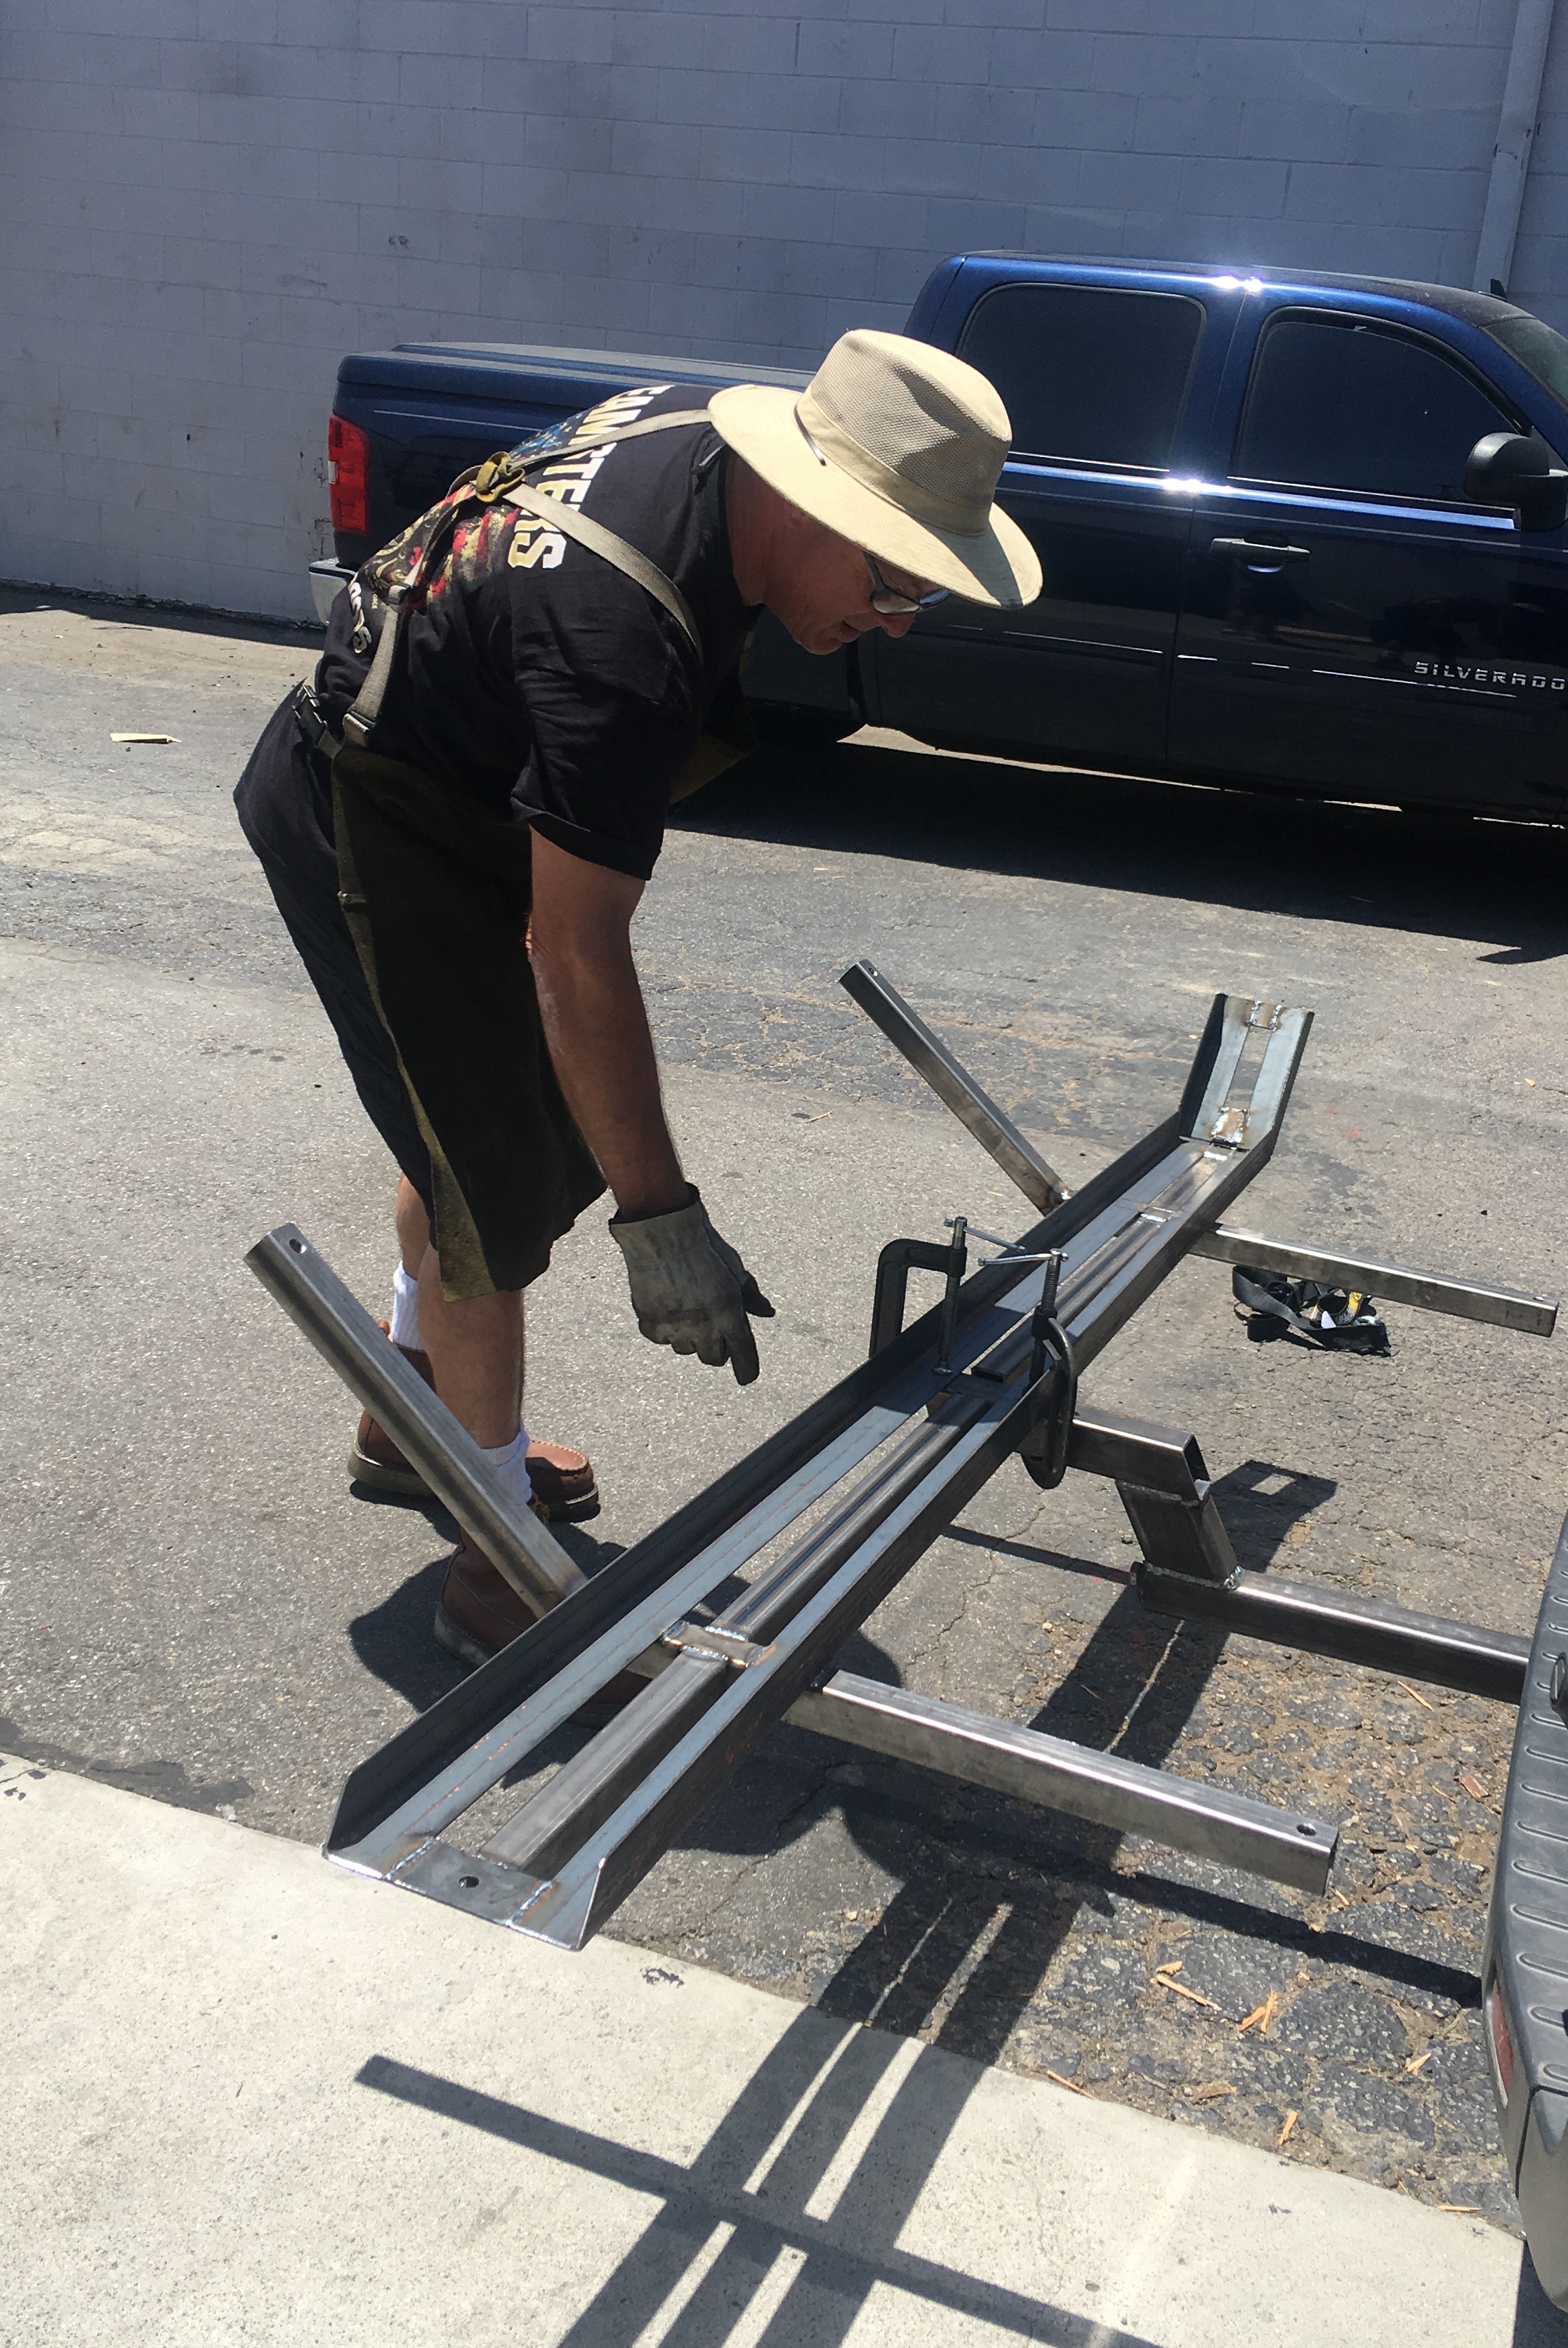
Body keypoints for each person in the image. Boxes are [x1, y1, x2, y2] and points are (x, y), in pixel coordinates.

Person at [235, 331, 1041, 1668]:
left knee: (463, 1129)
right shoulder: (620, 634)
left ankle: (411, 1411)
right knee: (490, 1180)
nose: (900, 617)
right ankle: (495, 1560)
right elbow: (577, 954)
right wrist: (661, 1218)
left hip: (462, 772)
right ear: (810, 501)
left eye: (927, 591)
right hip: (368, 809)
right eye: (895, 575)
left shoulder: (704, 453)